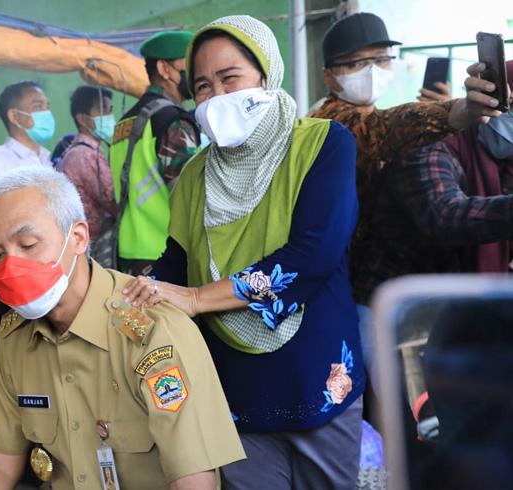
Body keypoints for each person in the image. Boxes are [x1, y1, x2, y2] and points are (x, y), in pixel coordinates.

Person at [122, 15, 367, 489]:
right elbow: (177, 262)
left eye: (230, 77)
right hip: (234, 389)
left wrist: (195, 299)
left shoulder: (322, 144)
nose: (217, 96)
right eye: (203, 86)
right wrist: (131, 294)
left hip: (316, 373)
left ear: (266, 74)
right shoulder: (194, 176)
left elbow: (314, 255)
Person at [0, 166, 244, 490]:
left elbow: (193, 481)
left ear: (77, 238)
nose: (10, 266)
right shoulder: (15, 339)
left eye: (27, 244)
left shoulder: (152, 331)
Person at [309, 12, 502, 375]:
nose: (372, 70)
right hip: (353, 296)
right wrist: (454, 113)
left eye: (381, 60)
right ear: (328, 75)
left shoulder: (372, 115)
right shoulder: (329, 122)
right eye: (356, 63)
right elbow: (381, 130)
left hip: (385, 296)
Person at [353, 62, 513, 306]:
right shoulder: (431, 145)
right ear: (490, 103)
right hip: (389, 309)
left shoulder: (504, 160)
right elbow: (444, 215)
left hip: (451, 311)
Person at [109, 30, 200, 275]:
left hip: (128, 253)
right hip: (164, 255)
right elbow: (192, 194)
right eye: (188, 63)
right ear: (164, 69)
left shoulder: (123, 122)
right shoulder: (171, 121)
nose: (195, 71)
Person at [0, 81, 53, 226]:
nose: (47, 113)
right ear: (14, 116)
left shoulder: (47, 159)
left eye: (47, 106)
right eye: (38, 106)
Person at [57, 85, 117, 246]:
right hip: (91, 246)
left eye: (111, 109)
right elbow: (114, 202)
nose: (110, 116)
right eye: (103, 110)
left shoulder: (85, 151)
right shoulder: (85, 155)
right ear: (83, 119)